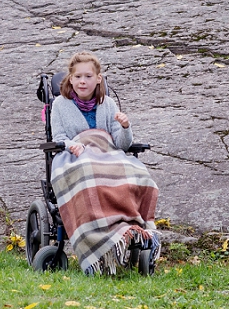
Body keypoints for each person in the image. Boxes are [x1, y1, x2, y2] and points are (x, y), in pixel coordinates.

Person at [49, 51, 159, 275]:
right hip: (74, 156)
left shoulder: (107, 104)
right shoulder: (60, 105)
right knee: (90, 171)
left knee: (137, 172)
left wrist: (126, 127)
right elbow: (58, 136)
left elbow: (121, 144)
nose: (82, 81)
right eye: (78, 76)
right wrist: (70, 145)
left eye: (88, 76)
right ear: (70, 79)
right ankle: (99, 244)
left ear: (99, 79)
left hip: (107, 152)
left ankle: (132, 227)